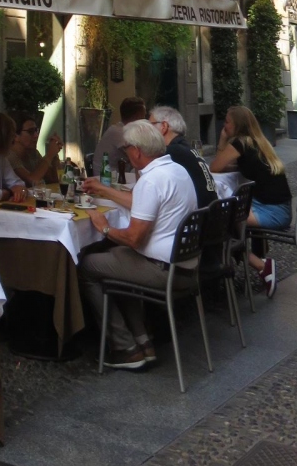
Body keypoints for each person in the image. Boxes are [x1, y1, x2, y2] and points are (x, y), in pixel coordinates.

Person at [78, 120, 198, 371]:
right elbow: (141, 204)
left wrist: (105, 228)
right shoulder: (176, 170)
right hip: (185, 266)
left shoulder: (151, 180)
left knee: (88, 266)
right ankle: (143, 341)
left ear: (136, 150)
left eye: (126, 149)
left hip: (164, 270)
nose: (125, 154)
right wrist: (103, 190)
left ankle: (125, 348)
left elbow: (134, 239)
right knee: (116, 258)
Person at [209, 104, 291, 299]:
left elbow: (215, 167)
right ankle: (255, 254)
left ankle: (261, 265)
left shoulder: (240, 144)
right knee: (232, 218)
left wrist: (222, 140)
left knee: (221, 224)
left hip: (272, 212)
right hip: (280, 207)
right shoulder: (258, 142)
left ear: (237, 125)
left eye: (227, 122)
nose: (224, 125)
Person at [84, 106, 215, 211]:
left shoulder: (170, 153)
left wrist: (102, 189)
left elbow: (138, 201)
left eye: (149, 125)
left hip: (194, 227)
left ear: (163, 127)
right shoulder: (184, 149)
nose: (146, 129)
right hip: (203, 221)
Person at [92, 97, 148, 173]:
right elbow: (139, 157)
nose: (145, 119)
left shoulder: (122, 130)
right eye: (143, 116)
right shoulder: (119, 133)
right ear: (137, 117)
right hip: (106, 176)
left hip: (118, 173)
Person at [9, 113, 62, 186]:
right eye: (30, 131)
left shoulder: (33, 153)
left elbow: (53, 179)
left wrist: (54, 155)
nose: (36, 135)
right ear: (15, 136)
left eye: (36, 130)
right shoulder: (9, 155)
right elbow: (33, 180)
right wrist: (50, 154)